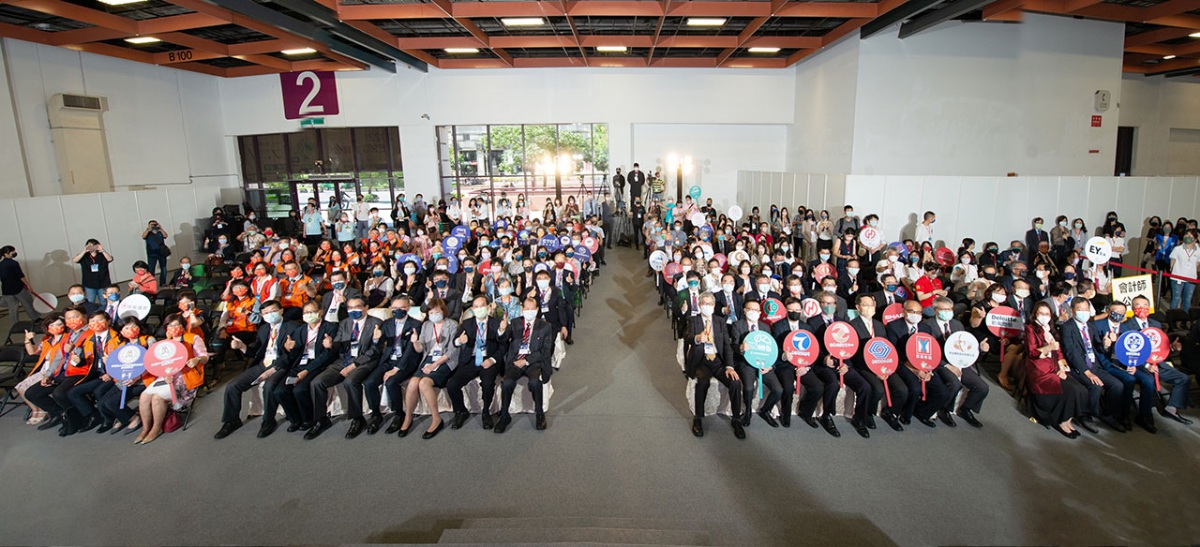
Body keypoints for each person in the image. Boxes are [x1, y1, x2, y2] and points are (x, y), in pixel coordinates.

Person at [214, 300, 299, 439]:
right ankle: (231, 421)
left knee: (269, 386)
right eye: (266, 313)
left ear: (281, 311)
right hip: (262, 363)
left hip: (281, 364)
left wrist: (273, 369)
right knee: (232, 386)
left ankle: (268, 421)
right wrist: (241, 346)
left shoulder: (293, 327)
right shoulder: (263, 329)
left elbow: (292, 355)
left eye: (273, 311)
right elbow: (255, 352)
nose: (270, 315)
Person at [306, 295, 384, 440]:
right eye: (350, 308)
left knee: (350, 381)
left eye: (357, 307)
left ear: (366, 307)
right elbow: (338, 345)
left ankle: (357, 419)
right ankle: (321, 419)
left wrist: (354, 365)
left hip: (364, 361)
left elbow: (374, 351)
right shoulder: (344, 323)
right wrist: (331, 345)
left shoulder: (376, 323)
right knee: (317, 382)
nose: (353, 310)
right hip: (344, 359)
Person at [1116, 296, 1193, 431]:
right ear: (1133, 308)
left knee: (1183, 378)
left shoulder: (1156, 324)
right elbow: (1127, 352)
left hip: (1158, 363)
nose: (1142, 308)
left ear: (1150, 307)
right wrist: (1147, 365)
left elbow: (1160, 346)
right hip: (1137, 364)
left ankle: (1171, 408)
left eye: (1145, 305)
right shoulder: (1126, 326)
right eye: (1138, 305)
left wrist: (1172, 347)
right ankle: (1144, 415)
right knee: (1149, 381)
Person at [135, 314, 206, 444]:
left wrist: (197, 359)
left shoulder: (193, 338)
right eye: (170, 325)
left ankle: (156, 428)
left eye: (176, 325)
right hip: (166, 376)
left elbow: (205, 356)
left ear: (183, 326)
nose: (173, 328)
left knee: (157, 398)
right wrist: (162, 373)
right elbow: (158, 363)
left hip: (185, 376)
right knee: (144, 397)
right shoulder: (164, 343)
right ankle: (146, 428)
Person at [1059, 298, 1125, 433]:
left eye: (1086, 310)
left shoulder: (1091, 326)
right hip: (1078, 368)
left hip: (1095, 365)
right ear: (1072, 310)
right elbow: (1071, 353)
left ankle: (1108, 414)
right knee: (1094, 385)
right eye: (1080, 309)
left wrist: (1105, 345)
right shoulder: (1067, 328)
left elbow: (1097, 347)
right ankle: (1085, 415)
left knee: (1117, 385)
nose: (1084, 312)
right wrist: (1087, 372)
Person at [684, 292, 743, 439]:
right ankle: (698, 418)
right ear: (699, 305)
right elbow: (687, 337)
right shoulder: (693, 320)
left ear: (714, 305)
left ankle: (736, 419)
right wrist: (698, 338)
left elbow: (727, 345)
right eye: (704, 303)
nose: (707, 306)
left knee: (735, 382)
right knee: (702, 383)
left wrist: (730, 366)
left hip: (718, 361)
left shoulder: (720, 321)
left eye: (710, 304)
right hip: (701, 361)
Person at [396, 298, 458, 439]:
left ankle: (436, 419)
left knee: (424, 383)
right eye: (431, 312)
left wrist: (434, 365)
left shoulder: (452, 324)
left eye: (437, 311)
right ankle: (408, 417)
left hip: (445, 360)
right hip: (428, 359)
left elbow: (452, 351)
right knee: (413, 383)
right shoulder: (427, 325)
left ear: (443, 311)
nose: (434, 314)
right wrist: (415, 342)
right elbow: (420, 349)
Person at [21, 308, 90, 433]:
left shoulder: (85, 334)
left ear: (84, 317)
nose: (72, 320)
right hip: (60, 371)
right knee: (32, 393)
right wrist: (48, 376)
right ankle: (59, 414)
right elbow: (57, 358)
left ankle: (77, 417)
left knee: (59, 393)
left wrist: (75, 351)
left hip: (79, 370)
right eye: (69, 318)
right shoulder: (61, 337)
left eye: (75, 317)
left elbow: (85, 356)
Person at [1024, 301, 1086, 438]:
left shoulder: (1051, 330)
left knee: (1080, 389)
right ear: (1035, 314)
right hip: (1040, 371)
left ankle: (1068, 420)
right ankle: (1061, 421)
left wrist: (1063, 369)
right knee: (1071, 390)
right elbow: (1032, 352)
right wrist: (1048, 348)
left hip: (1056, 368)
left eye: (1047, 314)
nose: (1044, 316)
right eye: (1041, 313)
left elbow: (1059, 353)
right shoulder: (1030, 329)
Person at [924, 297, 989, 428]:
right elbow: (927, 352)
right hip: (940, 362)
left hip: (959, 360)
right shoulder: (927, 325)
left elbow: (964, 345)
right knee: (954, 383)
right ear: (935, 310)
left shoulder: (957, 324)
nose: (947, 312)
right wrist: (947, 365)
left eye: (949, 309)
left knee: (982, 387)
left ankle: (966, 409)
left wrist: (980, 349)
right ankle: (944, 409)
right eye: (943, 309)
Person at [445, 295, 507, 430]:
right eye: (476, 307)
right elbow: (455, 341)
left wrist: (492, 360)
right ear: (472, 309)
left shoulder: (496, 323)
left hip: (489, 359)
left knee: (488, 383)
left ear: (488, 307)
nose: (479, 309)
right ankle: (461, 411)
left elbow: (503, 347)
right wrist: (459, 341)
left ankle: (486, 412)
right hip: (470, 360)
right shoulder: (467, 324)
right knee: (452, 385)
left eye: (482, 306)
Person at [806, 291, 851, 437]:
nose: (828, 305)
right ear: (820, 304)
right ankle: (827, 415)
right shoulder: (812, 322)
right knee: (833, 383)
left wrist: (846, 363)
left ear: (836, 305)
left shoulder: (842, 323)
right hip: (821, 363)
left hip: (841, 362)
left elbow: (849, 345)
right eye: (824, 303)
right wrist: (824, 359)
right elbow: (812, 345)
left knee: (862, 384)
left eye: (830, 303)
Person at [0, 245, 42, 322]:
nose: (14, 253)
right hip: (18, 288)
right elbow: (21, 276)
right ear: (6, 254)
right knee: (28, 303)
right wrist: (28, 285)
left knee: (13, 309)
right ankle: (36, 318)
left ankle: (15, 324)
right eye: (12, 252)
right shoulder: (14, 263)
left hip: (7, 290)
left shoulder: (1, 264)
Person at [72, 239, 113, 304]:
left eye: (94, 245)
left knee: (104, 301)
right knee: (90, 301)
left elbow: (110, 259)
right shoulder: (84, 256)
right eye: (89, 245)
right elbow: (74, 260)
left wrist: (102, 250)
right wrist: (84, 251)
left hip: (103, 282)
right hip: (89, 283)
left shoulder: (102, 254)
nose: (92, 247)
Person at [1168, 229, 1199, 310]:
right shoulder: (1178, 249)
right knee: (1176, 298)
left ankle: (1185, 317)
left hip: (1191, 278)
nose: (1187, 237)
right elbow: (1172, 261)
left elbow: (1197, 263)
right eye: (1186, 235)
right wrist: (1172, 270)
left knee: (1187, 299)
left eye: (1190, 235)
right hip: (1177, 277)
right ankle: (1172, 316)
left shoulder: (1198, 250)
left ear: (1195, 239)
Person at [141, 220, 170, 285]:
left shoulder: (160, 232)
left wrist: (160, 228)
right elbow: (143, 236)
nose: (154, 226)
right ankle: (151, 282)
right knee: (151, 269)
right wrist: (148, 229)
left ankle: (163, 282)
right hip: (152, 254)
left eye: (155, 224)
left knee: (163, 268)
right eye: (152, 224)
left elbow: (166, 236)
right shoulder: (148, 233)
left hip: (161, 253)